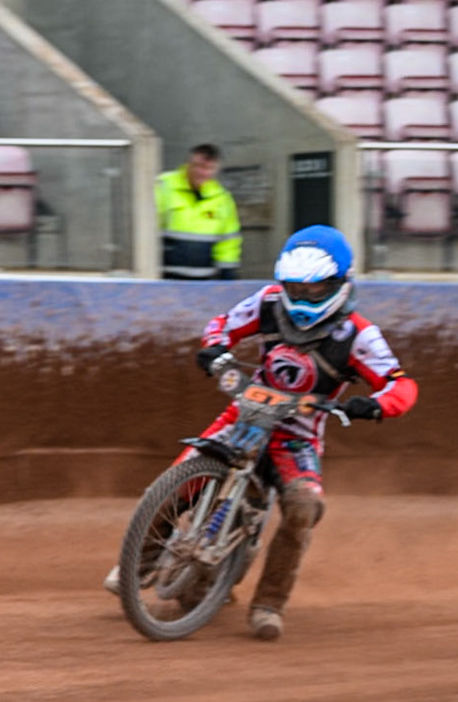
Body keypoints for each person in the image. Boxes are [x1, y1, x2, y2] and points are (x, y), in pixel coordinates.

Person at [105, 228, 416, 640]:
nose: (303, 298)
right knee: (181, 478)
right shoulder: (269, 302)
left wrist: (374, 404)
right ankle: (140, 563)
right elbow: (222, 325)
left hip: (297, 435)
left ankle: (270, 603)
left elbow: (401, 384)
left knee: (304, 508)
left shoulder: (359, 336)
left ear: (341, 283)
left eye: (315, 288)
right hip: (247, 413)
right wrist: (216, 347)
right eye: (295, 287)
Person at [157, 143, 242, 280]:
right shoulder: (163, 186)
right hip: (165, 277)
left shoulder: (222, 199)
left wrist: (228, 271)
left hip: (204, 281)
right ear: (188, 164)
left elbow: (228, 240)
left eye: (209, 168)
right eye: (198, 166)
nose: (202, 173)